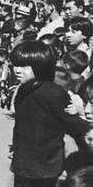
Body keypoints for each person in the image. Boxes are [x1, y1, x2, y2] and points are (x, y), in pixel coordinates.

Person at [9, 41, 91, 187]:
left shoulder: (54, 93)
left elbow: (74, 126)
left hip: (45, 166)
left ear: (41, 67)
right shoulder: (23, 89)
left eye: (25, 66)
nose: (17, 70)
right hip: (23, 161)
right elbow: (22, 126)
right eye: (16, 65)